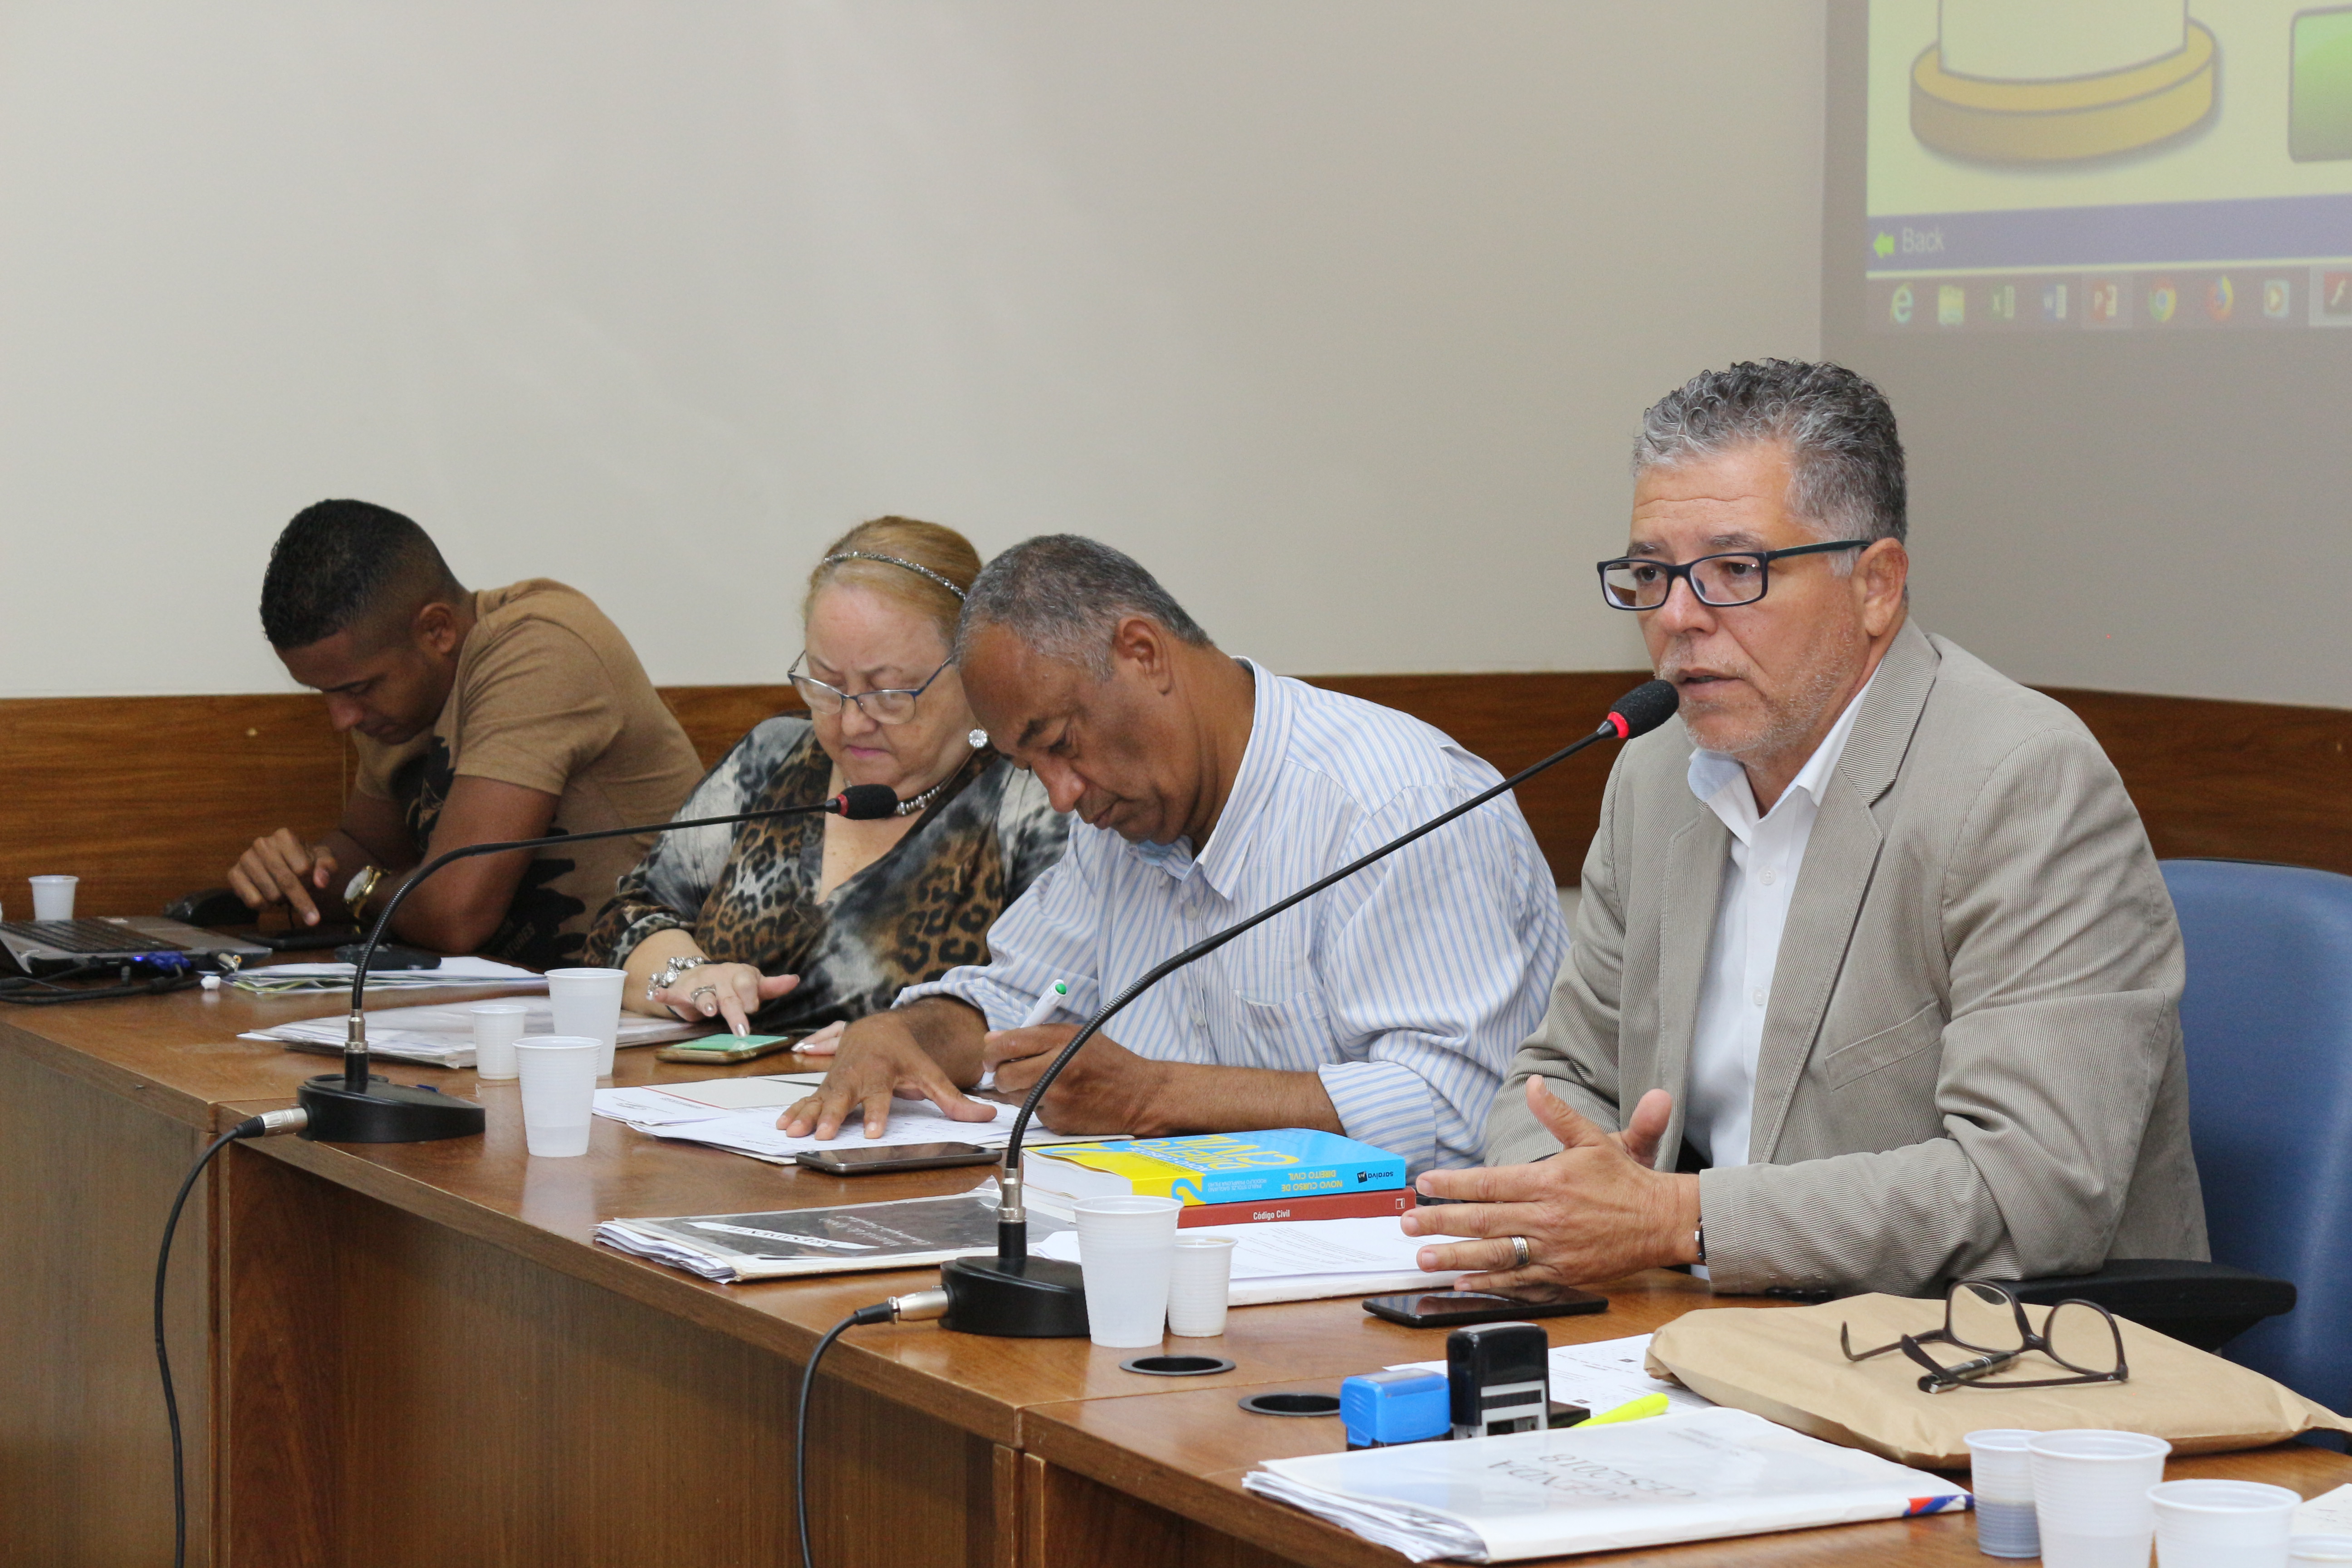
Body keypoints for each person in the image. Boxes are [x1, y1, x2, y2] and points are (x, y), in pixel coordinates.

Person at [1403, 360, 2207, 1298]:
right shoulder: (1654, 774)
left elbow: (2033, 1190)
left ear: (1875, 585)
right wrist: (1565, 1199)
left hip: (1993, 1349)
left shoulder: (2021, 784)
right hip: (1711, 1327)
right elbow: (1557, 1076)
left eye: (1733, 571)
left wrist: (1674, 1219)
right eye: (1651, 574)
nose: (1677, 617)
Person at [781, 535, 1567, 1175]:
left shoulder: (1396, 803)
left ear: (1142, 653)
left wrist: (1154, 1095)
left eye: (1062, 744)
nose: (1061, 795)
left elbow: (1457, 1113)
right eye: (1031, 766)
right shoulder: (1118, 818)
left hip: (1405, 1273)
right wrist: (905, 1035)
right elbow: (1023, 997)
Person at [588, 518, 1070, 1037]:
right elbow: (627, 921)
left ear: (971, 671)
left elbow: (1056, 1002)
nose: (852, 722)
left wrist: (913, 1044)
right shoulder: (772, 757)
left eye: (889, 694)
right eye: (827, 685)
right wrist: (690, 977)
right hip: (701, 1084)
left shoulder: (1034, 804)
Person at [229, 500, 703, 968]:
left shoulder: (539, 647)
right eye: (325, 693)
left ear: (437, 630)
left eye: (358, 689)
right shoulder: (393, 695)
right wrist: (297, 870)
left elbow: (455, 916)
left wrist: (360, 889)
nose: (342, 719)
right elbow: (365, 848)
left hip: (662, 993)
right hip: (521, 997)